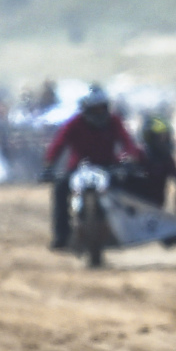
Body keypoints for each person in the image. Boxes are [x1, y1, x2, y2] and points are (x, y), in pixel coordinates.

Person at [40, 87, 144, 250]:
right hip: (78, 168)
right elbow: (58, 144)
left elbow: (127, 142)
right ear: (85, 110)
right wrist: (49, 165)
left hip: (108, 167)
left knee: (126, 187)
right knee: (60, 189)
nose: (98, 113)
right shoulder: (74, 123)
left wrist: (131, 159)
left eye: (102, 108)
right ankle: (62, 236)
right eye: (94, 109)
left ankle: (126, 230)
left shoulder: (114, 121)